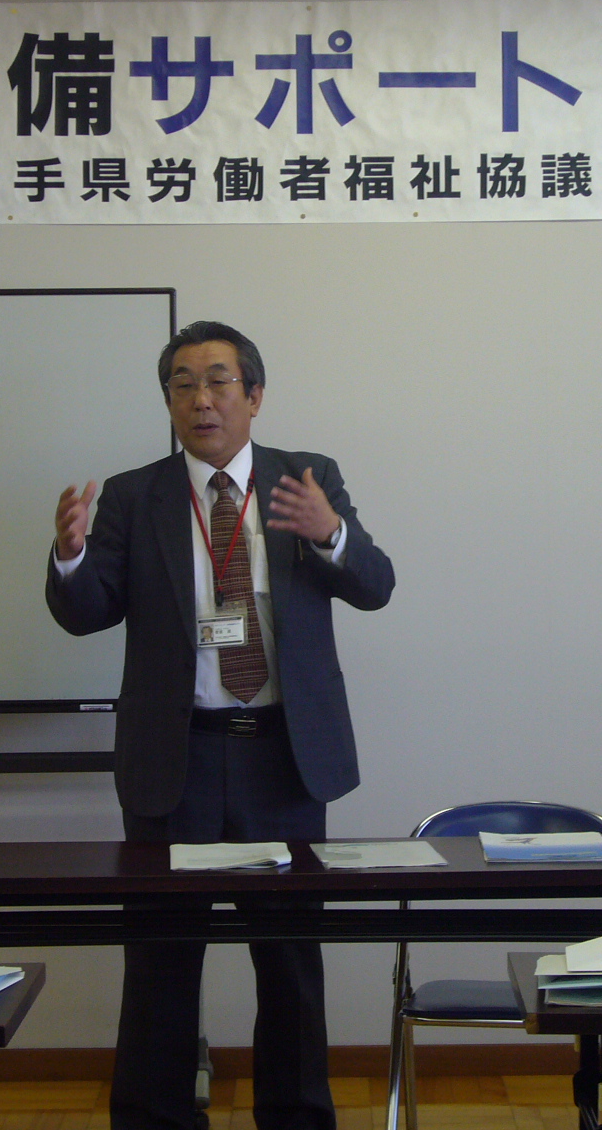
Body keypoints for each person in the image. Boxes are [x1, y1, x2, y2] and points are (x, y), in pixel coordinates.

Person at [47, 320, 395, 1130]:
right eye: (182, 384)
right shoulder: (136, 496)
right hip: (177, 759)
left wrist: (331, 533)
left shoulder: (306, 480)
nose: (200, 399)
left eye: (218, 381)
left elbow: (376, 585)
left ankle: (296, 1117)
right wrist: (70, 558)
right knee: (162, 958)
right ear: (168, 401)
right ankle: (155, 1118)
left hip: (284, 758)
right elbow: (87, 611)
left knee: (290, 959)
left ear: (255, 395)